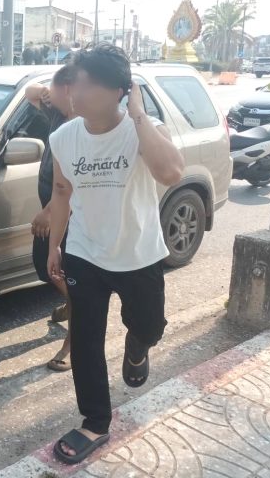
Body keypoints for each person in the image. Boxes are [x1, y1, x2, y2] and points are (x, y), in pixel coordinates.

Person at [45, 44, 184, 464]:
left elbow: (171, 173)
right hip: (85, 254)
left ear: (116, 90)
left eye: (83, 83)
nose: (74, 91)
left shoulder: (142, 130)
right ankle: (95, 421)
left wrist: (139, 113)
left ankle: (138, 345)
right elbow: (61, 192)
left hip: (137, 253)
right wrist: (55, 245)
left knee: (150, 324)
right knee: (85, 341)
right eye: (73, 82)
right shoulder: (63, 137)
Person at [23, 64, 76, 372]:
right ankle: (72, 303)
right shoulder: (57, 115)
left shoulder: (84, 126)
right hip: (52, 207)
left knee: (71, 276)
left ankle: (73, 340)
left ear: (68, 90)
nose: (49, 95)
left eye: (54, 90)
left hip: (71, 215)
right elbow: (29, 93)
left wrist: (48, 212)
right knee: (47, 270)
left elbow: (73, 185)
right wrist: (44, 91)